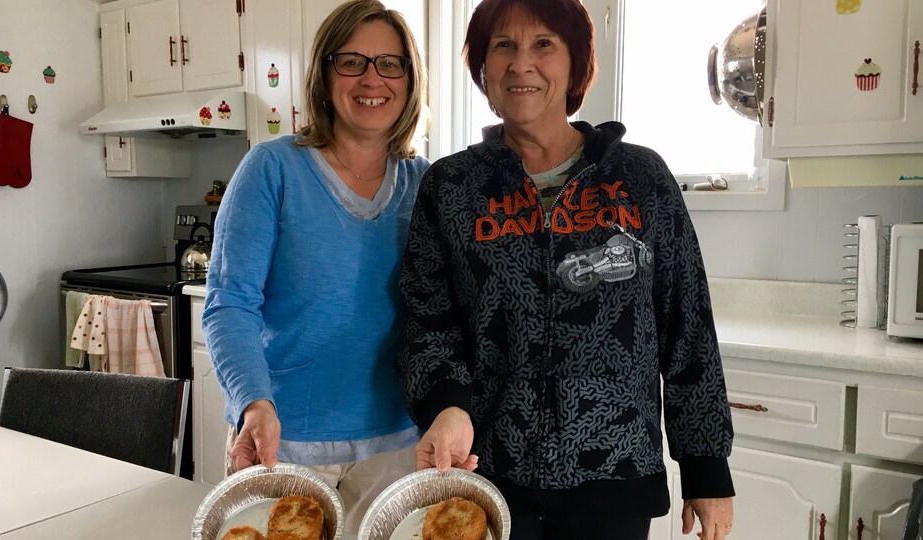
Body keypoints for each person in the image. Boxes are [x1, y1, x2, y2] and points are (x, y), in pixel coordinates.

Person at [395, 0, 735, 538]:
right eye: (503, 45)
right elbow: (428, 321)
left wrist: (706, 466)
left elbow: (687, 324)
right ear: (483, 67)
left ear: (576, 63)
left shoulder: (640, 177)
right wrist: (446, 407)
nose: (521, 63)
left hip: (616, 478)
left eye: (543, 44)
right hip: (488, 478)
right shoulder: (452, 186)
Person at [202, 0, 428, 532]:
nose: (371, 79)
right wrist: (253, 403)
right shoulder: (272, 168)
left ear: (409, 79)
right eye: (351, 61)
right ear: (325, 76)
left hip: (398, 443)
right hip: (283, 439)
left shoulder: (426, 182)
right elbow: (230, 304)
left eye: (389, 63)